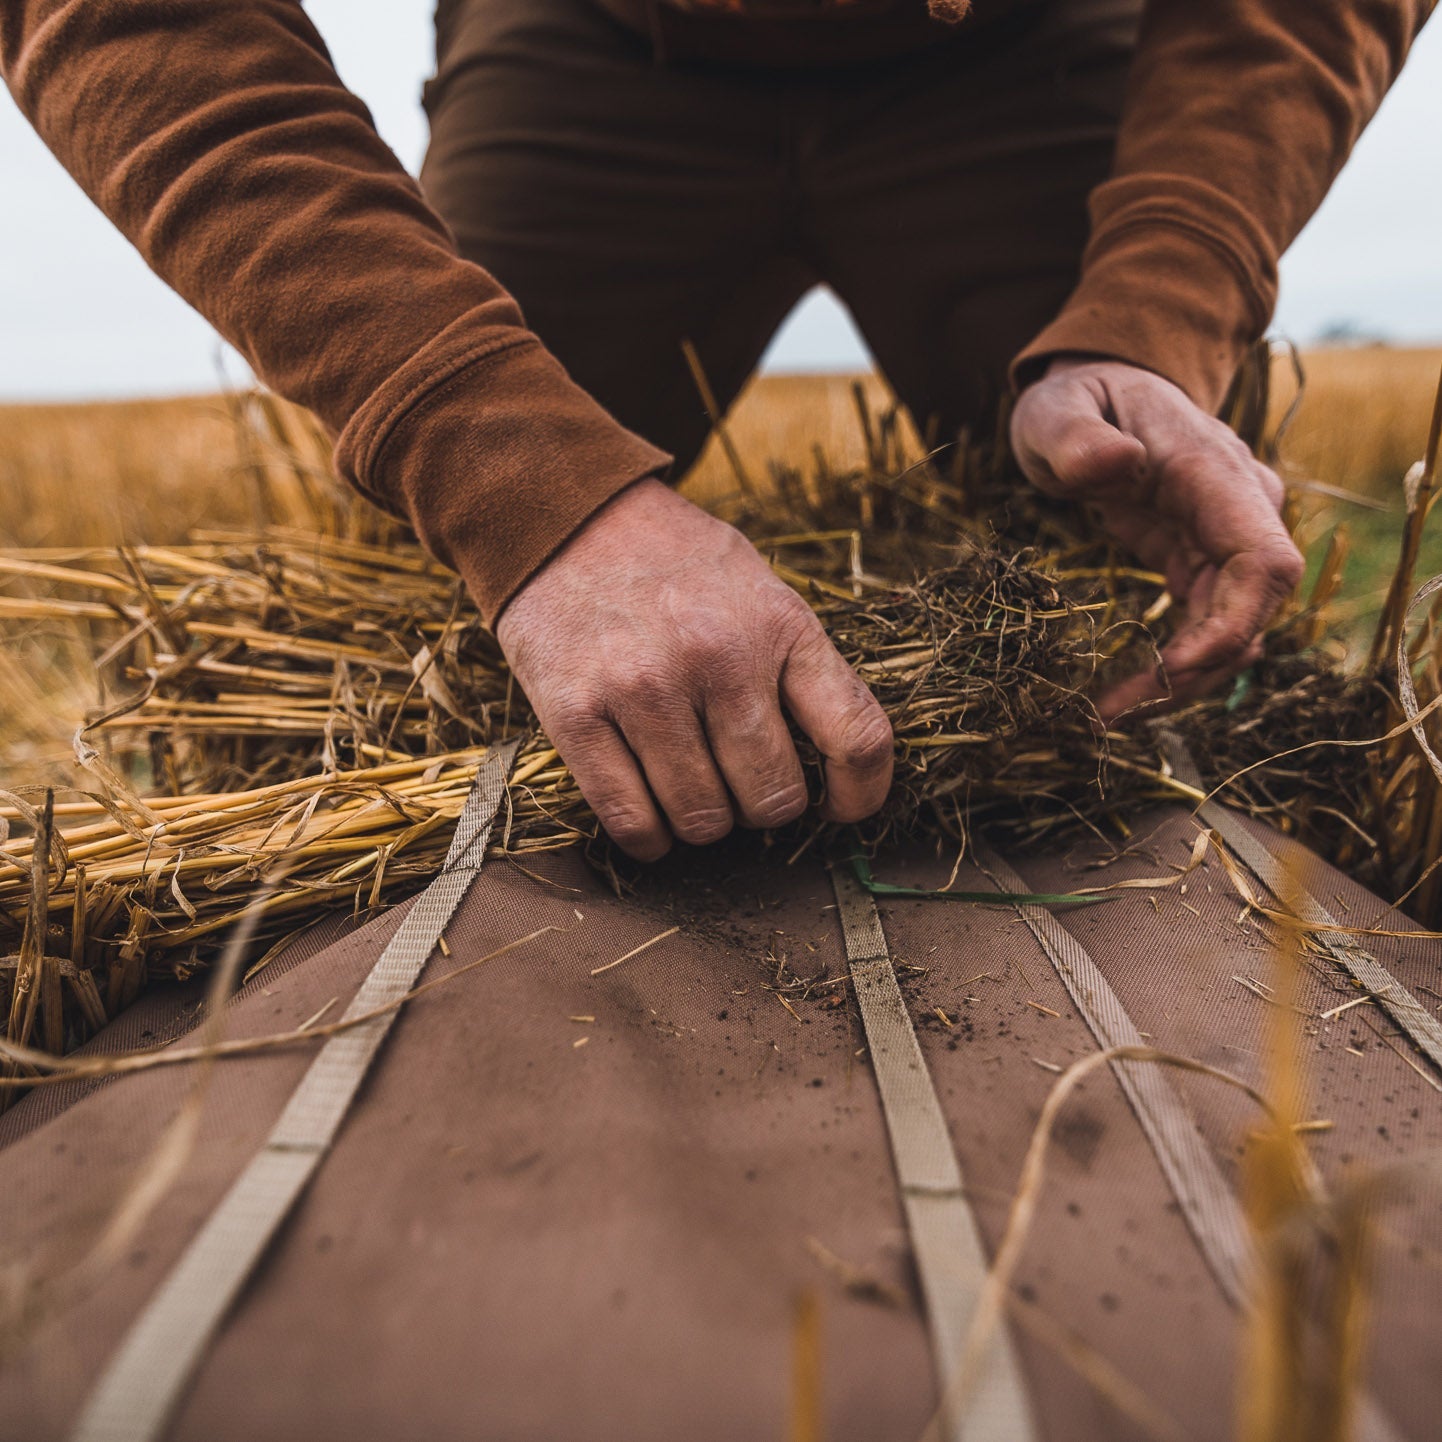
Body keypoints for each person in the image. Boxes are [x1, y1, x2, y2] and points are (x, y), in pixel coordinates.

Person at [1, 0, 1427, 861]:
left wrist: (1156, 307)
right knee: (443, 598)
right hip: (590, 40)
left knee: (1132, 564)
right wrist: (520, 483)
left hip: (1018, 45)